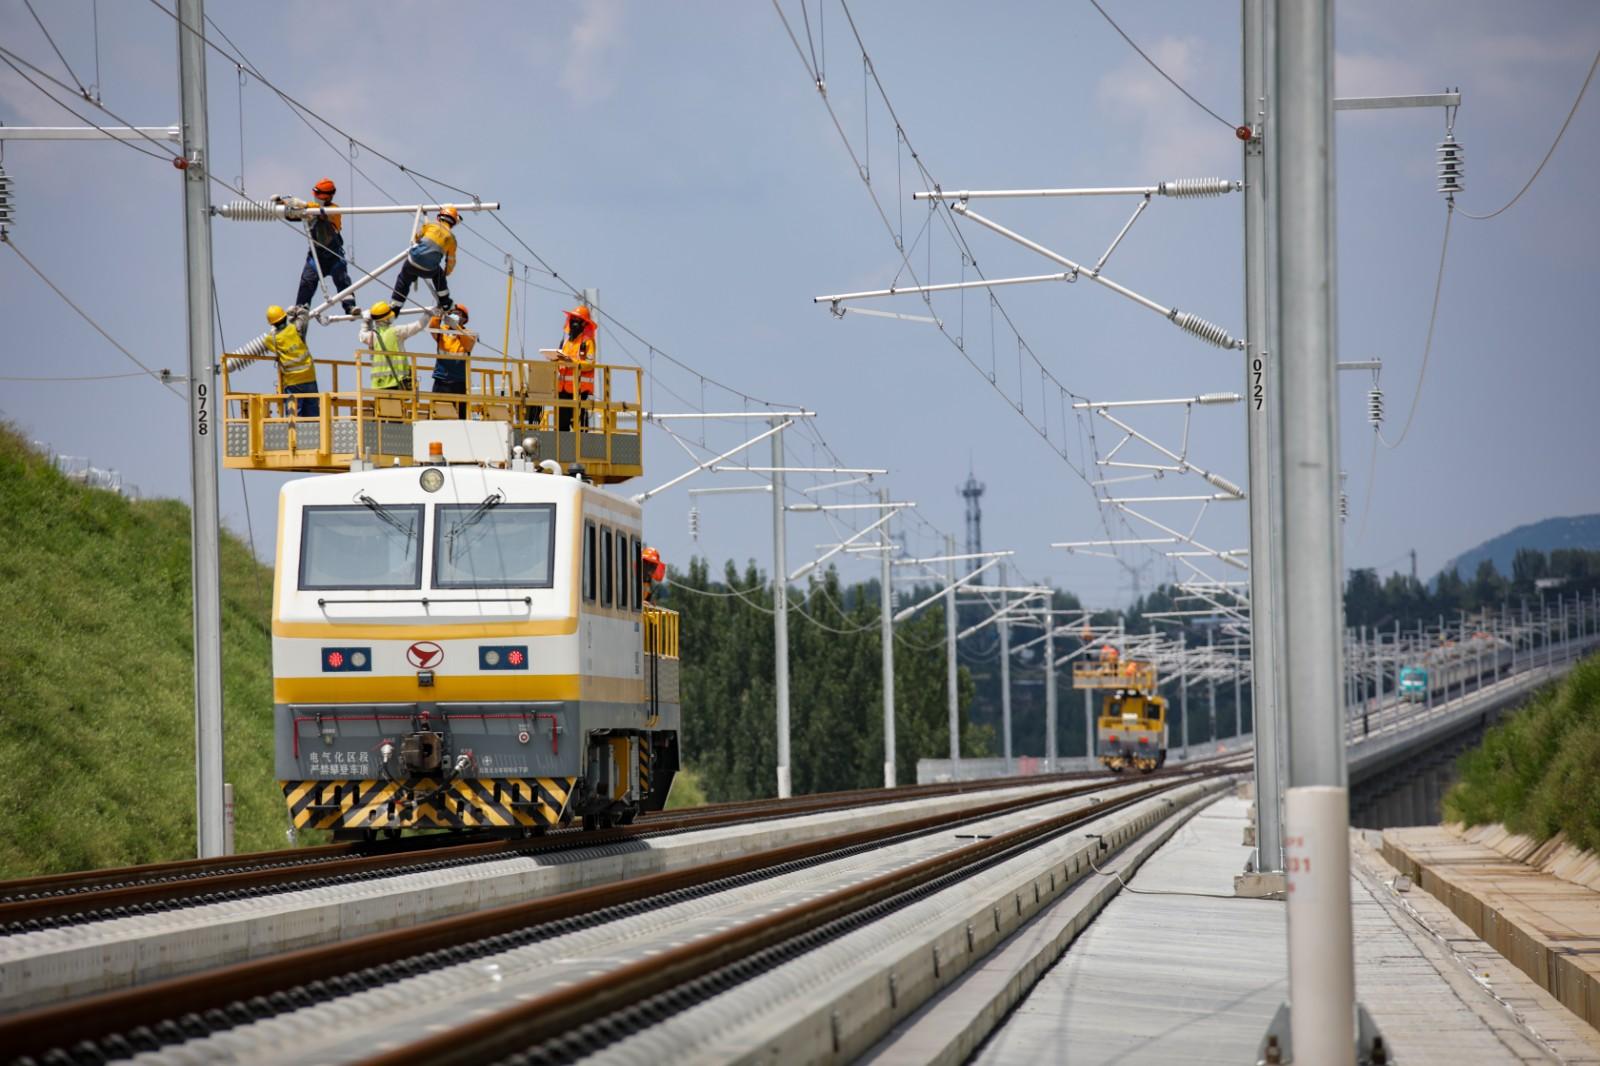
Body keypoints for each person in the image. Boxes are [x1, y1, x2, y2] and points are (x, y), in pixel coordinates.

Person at [282, 178, 358, 315]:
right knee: (307, 281)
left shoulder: (334, 209)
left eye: (320, 195)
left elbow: (322, 213)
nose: (317, 198)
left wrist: (305, 205)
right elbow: (293, 216)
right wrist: (283, 205)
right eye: (316, 194)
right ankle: (301, 308)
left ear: (329, 196)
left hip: (334, 255)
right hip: (316, 255)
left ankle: (350, 307)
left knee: (342, 280)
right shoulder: (310, 210)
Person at [390, 205, 459, 313]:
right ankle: (445, 303)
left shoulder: (429, 225)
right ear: (453, 223)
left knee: (403, 280)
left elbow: (417, 237)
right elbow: (451, 261)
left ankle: (395, 306)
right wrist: (446, 273)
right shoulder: (452, 239)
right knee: (439, 276)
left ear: (439, 217)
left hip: (412, 262)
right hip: (429, 270)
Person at [264, 304, 319, 415]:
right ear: (284, 317)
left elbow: (269, 337)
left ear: (272, 324)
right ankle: (317, 431)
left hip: (293, 382)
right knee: (313, 416)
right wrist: (295, 310)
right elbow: (304, 314)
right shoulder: (296, 328)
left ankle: (294, 433)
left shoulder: (272, 340)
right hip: (309, 376)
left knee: (294, 416)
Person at [359, 301, 426, 391]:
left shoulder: (372, 335)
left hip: (378, 384)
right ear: (385, 319)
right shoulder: (397, 332)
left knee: (381, 405)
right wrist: (429, 315)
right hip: (397, 382)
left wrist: (366, 321)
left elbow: (362, 335)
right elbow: (418, 326)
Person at [554, 304, 598, 431]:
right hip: (562, 390)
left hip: (579, 391)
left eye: (577, 321)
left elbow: (590, 364)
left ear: (584, 324)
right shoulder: (567, 343)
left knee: (580, 428)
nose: (573, 323)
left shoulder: (588, 342)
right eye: (572, 319)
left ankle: (583, 446)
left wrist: (572, 362)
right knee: (561, 426)